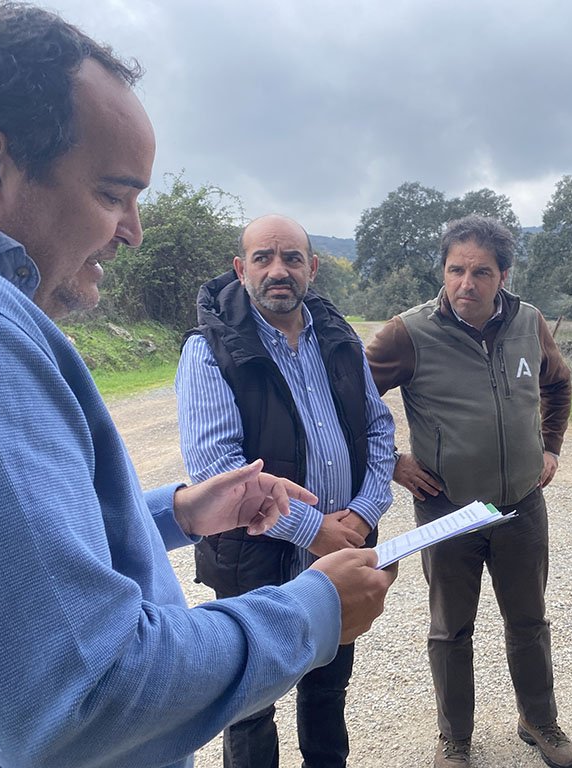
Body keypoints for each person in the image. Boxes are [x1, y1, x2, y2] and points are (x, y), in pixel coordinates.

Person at [0, 4, 395, 766]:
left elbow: (34, 539)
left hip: (330, 537)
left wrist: (175, 511)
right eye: (113, 193)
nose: (135, 231)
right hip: (268, 566)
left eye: (295, 257)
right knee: (256, 723)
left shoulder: (338, 337)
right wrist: (314, 605)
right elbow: (85, 696)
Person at [175, 213, 396, 768]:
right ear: (240, 268)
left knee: (328, 691)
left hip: (343, 551)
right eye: (263, 258)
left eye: (292, 258)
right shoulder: (209, 351)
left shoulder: (341, 340)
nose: (279, 270)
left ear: (312, 268)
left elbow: (379, 430)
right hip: (252, 558)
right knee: (251, 706)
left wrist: (363, 515)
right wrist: (316, 529)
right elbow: (216, 468)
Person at [365, 214, 572, 768]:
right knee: (451, 627)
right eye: (456, 269)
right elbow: (349, 397)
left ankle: (539, 720)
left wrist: (550, 446)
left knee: (529, 620)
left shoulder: (529, 323)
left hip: (520, 505)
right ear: (443, 270)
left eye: (481, 272)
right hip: (448, 509)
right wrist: (391, 460)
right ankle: (455, 736)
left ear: (503, 276)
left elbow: (557, 383)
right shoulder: (408, 332)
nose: (466, 283)